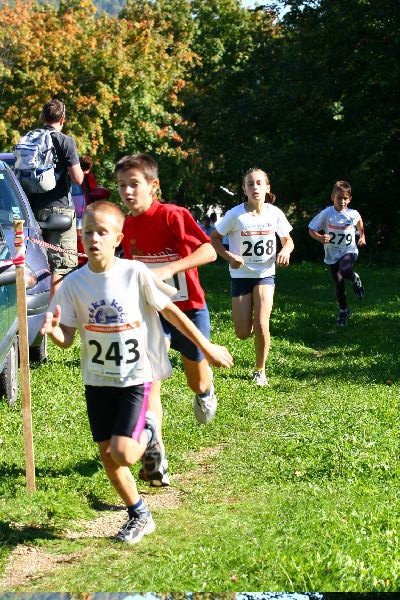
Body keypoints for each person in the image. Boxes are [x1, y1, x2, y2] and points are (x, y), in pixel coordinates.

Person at [40, 201, 232, 544]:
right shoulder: (73, 284)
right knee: (107, 455)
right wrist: (55, 332)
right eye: (88, 233)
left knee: (125, 453)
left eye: (102, 232)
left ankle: (149, 429)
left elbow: (171, 312)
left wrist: (206, 346)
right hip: (97, 381)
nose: (94, 239)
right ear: (81, 240)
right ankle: (140, 514)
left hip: (134, 378)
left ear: (118, 238)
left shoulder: (134, 273)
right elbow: (67, 339)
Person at [115, 153, 218, 487]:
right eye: (121, 186)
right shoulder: (126, 226)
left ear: (153, 186)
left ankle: (205, 392)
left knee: (196, 381)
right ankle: (154, 445)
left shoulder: (174, 216)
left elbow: (209, 251)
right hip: (152, 313)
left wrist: (169, 268)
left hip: (189, 310)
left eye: (134, 184)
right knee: (149, 378)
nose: (128, 192)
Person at [211, 167, 294, 387]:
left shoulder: (275, 213)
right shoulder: (235, 214)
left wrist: (285, 251)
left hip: (265, 274)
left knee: (261, 323)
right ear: (244, 189)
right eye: (250, 184)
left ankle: (260, 370)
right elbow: (214, 239)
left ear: (267, 187)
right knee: (241, 332)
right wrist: (229, 257)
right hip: (240, 275)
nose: (255, 187)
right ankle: (254, 355)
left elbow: (288, 240)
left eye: (259, 183)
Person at [28, 99, 84, 298]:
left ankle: (35, 313)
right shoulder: (65, 141)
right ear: (62, 118)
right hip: (60, 211)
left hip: (33, 210)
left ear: (43, 117)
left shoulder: (31, 139)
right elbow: (78, 178)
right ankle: (55, 319)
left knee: (37, 263)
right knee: (62, 265)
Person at [308, 180, 366, 326]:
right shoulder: (327, 213)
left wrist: (362, 236)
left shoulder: (353, 214)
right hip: (331, 255)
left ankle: (354, 278)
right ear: (332, 197)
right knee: (339, 285)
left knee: (345, 270)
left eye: (345, 198)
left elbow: (359, 222)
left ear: (349, 199)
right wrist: (320, 237)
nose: (342, 201)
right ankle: (343, 310)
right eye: (339, 198)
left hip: (349, 250)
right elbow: (311, 229)